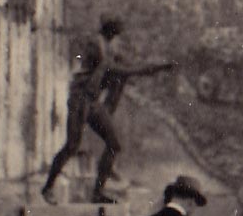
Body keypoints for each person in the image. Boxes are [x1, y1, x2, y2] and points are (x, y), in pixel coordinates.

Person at [42, 16, 173, 204]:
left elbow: (120, 70)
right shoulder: (99, 45)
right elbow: (123, 70)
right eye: (118, 37)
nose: (119, 42)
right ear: (112, 34)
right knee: (72, 146)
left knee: (114, 144)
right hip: (80, 100)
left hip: (92, 102)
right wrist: (156, 68)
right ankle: (47, 188)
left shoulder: (105, 46)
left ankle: (97, 192)